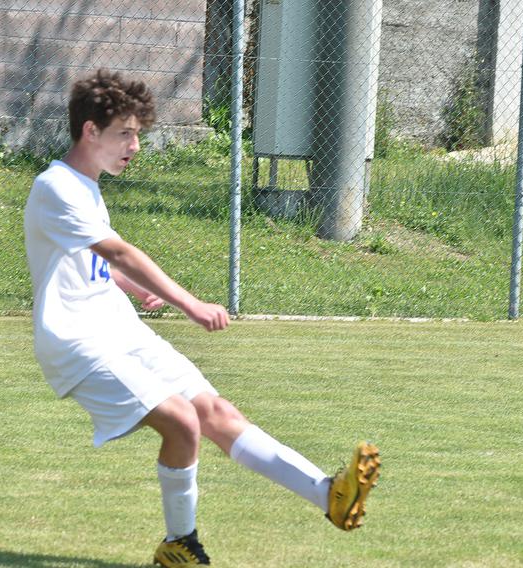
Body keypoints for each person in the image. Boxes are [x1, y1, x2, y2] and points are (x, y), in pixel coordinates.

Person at [23, 69, 381, 567]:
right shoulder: (56, 186)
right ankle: (180, 543)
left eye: (137, 135)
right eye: (125, 133)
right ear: (89, 131)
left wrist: (128, 288)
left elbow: (89, 262)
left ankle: (329, 496)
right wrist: (187, 303)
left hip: (119, 329)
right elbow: (120, 253)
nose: (135, 146)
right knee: (182, 423)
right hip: (80, 343)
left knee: (218, 414)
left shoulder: (86, 189)